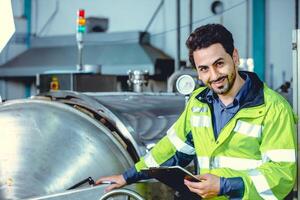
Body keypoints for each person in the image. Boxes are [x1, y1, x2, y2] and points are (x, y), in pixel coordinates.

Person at [96, 24, 296, 199]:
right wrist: (128, 176)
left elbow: (281, 175)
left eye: (219, 64)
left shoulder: (272, 108)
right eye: (204, 69)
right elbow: (172, 150)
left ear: (234, 57)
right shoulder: (198, 103)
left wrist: (225, 185)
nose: (214, 75)